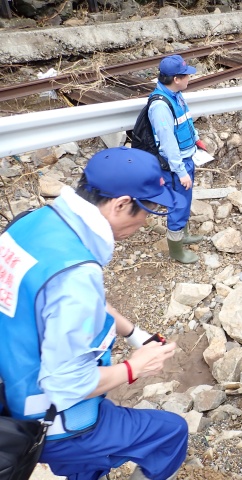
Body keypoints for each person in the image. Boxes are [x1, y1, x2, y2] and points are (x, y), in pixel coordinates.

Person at [0, 147, 189, 480]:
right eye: (144, 210)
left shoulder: (35, 223)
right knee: (170, 433)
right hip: (48, 421)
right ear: (119, 204)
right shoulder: (77, 275)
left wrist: (133, 333)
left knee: (93, 465)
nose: (145, 222)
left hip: (9, 384)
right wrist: (135, 367)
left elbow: (49, 300)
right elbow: (67, 386)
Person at [148, 54, 209, 264]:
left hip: (186, 158)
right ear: (176, 79)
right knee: (178, 204)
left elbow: (186, 122)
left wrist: (197, 140)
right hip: (176, 165)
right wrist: (181, 171)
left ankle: (183, 234)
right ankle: (176, 249)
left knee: (185, 200)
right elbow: (168, 143)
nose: (189, 78)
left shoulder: (176, 95)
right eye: (186, 75)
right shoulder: (161, 106)